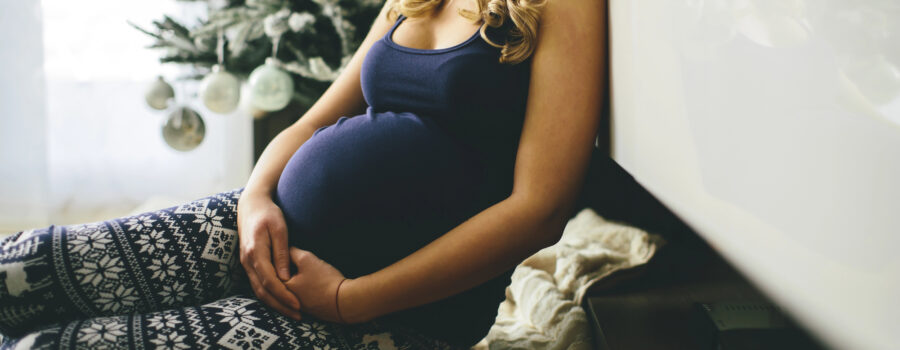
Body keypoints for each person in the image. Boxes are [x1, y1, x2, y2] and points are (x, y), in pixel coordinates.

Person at [0, 0, 605, 348]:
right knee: (15, 271)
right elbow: (312, 122)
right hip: (266, 233)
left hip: (386, 313)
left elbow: (540, 209)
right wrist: (256, 199)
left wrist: (348, 300)